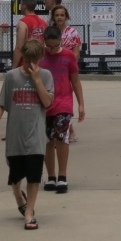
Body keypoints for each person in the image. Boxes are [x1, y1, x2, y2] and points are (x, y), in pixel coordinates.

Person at [0, 39, 54, 230]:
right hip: (15, 134)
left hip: (35, 134)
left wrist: (36, 79)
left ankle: (29, 212)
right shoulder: (11, 77)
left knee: (34, 175)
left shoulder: (46, 76)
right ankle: (18, 195)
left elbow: (47, 102)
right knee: (16, 176)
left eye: (34, 61)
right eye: (26, 61)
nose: (30, 65)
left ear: (41, 58)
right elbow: (2, 103)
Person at [40, 26, 85, 193]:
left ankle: (62, 176)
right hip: (44, 104)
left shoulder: (68, 56)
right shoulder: (40, 56)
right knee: (48, 141)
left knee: (61, 138)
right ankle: (51, 176)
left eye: (55, 46)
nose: (52, 50)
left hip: (63, 102)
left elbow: (75, 80)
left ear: (61, 41)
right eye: (49, 46)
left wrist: (80, 103)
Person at [51, 4, 83, 142]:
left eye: (62, 15)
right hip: (52, 69)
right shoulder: (50, 32)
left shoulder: (72, 32)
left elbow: (76, 53)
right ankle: (66, 127)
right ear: (53, 17)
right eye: (57, 15)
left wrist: (67, 62)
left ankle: (68, 127)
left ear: (66, 17)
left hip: (67, 68)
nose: (59, 17)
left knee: (66, 97)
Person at [14, 0, 48, 66]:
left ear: (24, 6)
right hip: (39, 62)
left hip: (25, 63)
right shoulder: (43, 22)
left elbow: (19, 47)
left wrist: (14, 67)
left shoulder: (22, 22)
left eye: (21, 5)